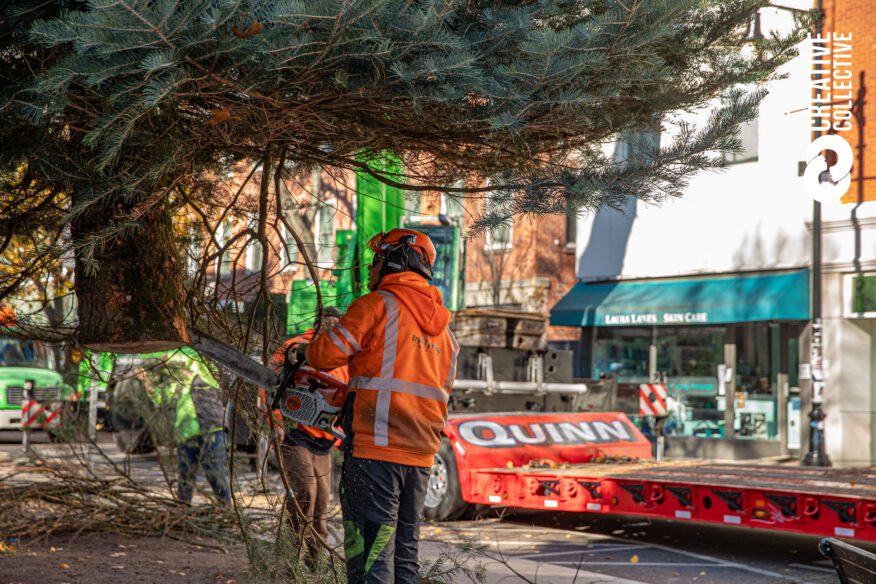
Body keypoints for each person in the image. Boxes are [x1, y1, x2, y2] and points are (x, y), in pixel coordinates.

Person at [307, 228, 459, 584]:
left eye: (376, 260)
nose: (371, 269)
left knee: (369, 560)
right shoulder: (446, 333)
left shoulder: (376, 305)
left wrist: (304, 350)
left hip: (376, 452)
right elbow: (428, 392)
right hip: (421, 456)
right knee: (404, 557)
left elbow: (324, 355)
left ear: (394, 260)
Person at [270, 306, 349, 561]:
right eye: (327, 322)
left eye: (335, 323)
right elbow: (269, 384)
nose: (330, 326)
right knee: (306, 491)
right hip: (295, 434)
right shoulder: (296, 347)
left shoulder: (343, 357)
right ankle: (293, 555)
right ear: (317, 322)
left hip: (323, 440)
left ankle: (313, 561)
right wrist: (276, 421)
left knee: (321, 503)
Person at [168, 349, 231, 504]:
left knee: (216, 474)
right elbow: (163, 398)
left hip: (212, 430)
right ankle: (183, 511)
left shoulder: (205, 371)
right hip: (186, 433)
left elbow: (214, 376)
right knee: (185, 476)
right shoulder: (176, 381)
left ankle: (226, 510)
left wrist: (186, 362)